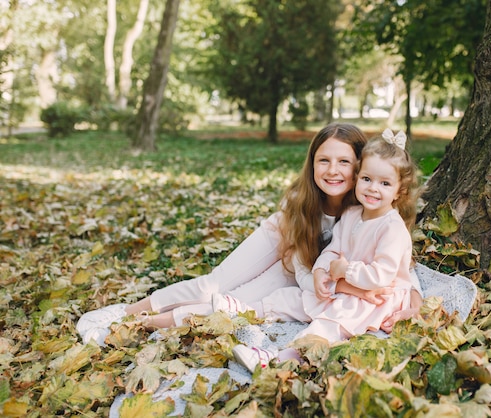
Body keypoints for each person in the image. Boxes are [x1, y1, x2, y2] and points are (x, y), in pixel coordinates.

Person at [77, 123, 416, 346]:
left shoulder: (369, 209)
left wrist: (412, 299)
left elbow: (398, 260)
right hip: (285, 251)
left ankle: (152, 324)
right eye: (323, 160)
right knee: (214, 284)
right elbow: (300, 267)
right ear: (312, 164)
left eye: (344, 162)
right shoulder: (300, 203)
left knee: (240, 304)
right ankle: (123, 312)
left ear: (360, 169)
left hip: (305, 278)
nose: (332, 170)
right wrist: (341, 284)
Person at [214, 129, 423, 372]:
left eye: (385, 183)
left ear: (400, 191)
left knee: (327, 325)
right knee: (294, 297)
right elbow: (334, 248)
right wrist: (322, 270)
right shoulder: (353, 214)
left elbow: (382, 276)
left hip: (378, 298)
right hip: (351, 285)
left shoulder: (392, 228)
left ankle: (279, 359)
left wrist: (347, 270)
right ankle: (245, 309)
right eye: (367, 179)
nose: (373, 189)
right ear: (357, 177)